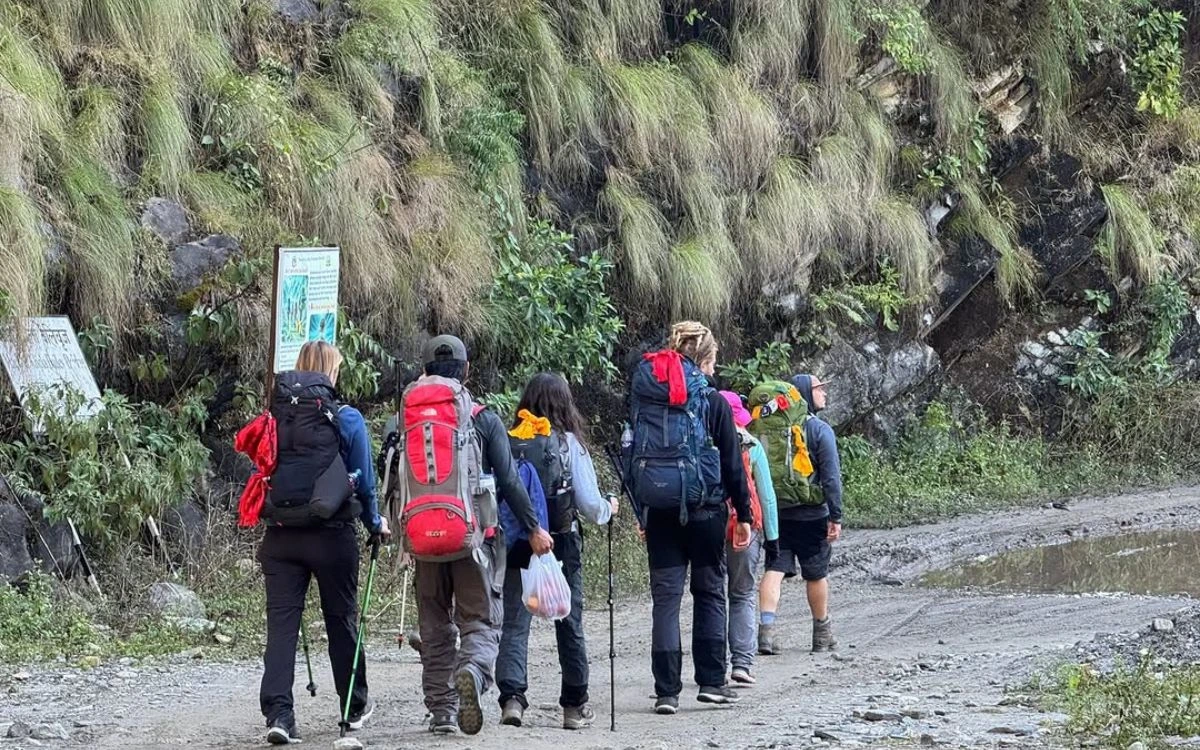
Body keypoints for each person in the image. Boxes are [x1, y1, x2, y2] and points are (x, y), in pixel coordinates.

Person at [404, 335, 554, 736]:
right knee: (481, 621)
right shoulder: (483, 418)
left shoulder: (406, 417)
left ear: (424, 371)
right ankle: (471, 670)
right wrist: (535, 528)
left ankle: (441, 712)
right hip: (474, 541)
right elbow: (509, 481)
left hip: (422, 541)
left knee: (435, 628)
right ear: (467, 370)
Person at [257, 341, 390, 745]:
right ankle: (353, 707)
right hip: (331, 536)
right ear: (331, 374)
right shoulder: (345, 418)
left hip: (281, 537)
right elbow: (365, 481)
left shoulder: (274, 417)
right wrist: (375, 523)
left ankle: (280, 716)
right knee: (340, 620)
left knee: (282, 626)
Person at [628, 321, 754, 715]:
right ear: (703, 358)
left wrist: (642, 509)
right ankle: (712, 683)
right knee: (709, 592)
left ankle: (666, 691)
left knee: (665, 600)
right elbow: (732, 464)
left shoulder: (646, 399)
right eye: (713, 362)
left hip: (660, 511)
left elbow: (632, 455)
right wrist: (744, 513)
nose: (714, 371)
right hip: (705, 512)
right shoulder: (712, 401)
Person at [496, 373, 619, 730]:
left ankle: (512, 700)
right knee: (569, 621)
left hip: (518, 540)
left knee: (516, 622)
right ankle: (574, 705)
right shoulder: (568, 444)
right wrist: (610, 506)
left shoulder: (510, 440)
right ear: (564, 403)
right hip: (562, 540)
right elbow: (592, 506)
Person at [758, 374, 843, 655]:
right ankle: (822, 634)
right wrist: (836, 516)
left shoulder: (770, 431)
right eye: (820, 388)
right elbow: (831, 478)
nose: (825, 393)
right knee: (816, 574)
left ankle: (766, 634)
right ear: (806, 392)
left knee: (774, 569)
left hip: (777, 514)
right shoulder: (819, 430)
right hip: (812, 516)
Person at [717, 391, 778, 687]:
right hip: (745, 530)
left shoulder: (702, 441)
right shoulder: (751, 445)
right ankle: (741, 663)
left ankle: (715, 666)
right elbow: (766, 498)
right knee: (741, 594)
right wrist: (773, 537)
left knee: (713, 596)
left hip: (711, 527)